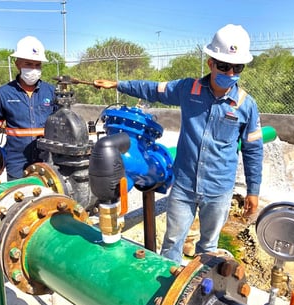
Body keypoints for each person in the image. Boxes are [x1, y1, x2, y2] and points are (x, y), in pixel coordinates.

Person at [93, 24, 263, 264]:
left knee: (208, 247)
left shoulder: (246, 105)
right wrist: (118, 84)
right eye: (224, 66)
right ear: (211, 63)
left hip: (218, 190)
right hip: (184, 185)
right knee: (172, 243)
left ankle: (201, 293)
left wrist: (253, 191)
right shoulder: (188, 89)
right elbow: (153, 89)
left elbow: (253, 150)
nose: (230, 72)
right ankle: (167, 293)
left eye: (237, 67)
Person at [0, 36, 58, 181]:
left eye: (37, 65)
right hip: (17, 164)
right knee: (19, 200)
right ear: (17, 64)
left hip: (47, 162)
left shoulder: (51, 92)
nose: (33, 69)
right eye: (28, 64)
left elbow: (62, 124)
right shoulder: (4, 93)